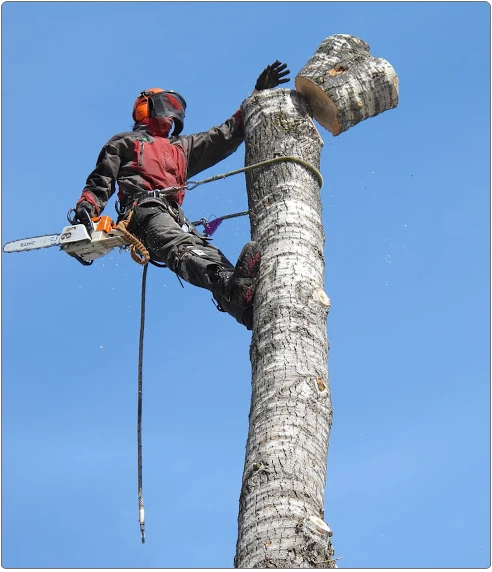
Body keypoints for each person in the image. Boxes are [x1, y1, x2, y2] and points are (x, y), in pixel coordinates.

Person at [72, 61, 290, 330]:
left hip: (174, 216)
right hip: (143, 210)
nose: (173, 113)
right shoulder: (125, 143)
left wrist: (257, 94)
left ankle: (246, 308)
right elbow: (101, 179)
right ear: (147, 108)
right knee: (183, 248)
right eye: (167, 105)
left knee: (209, 253)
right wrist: (87, 208)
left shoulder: (182, 148)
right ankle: (232, 288)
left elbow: (225, 135)